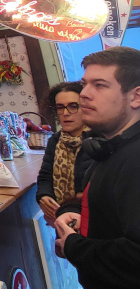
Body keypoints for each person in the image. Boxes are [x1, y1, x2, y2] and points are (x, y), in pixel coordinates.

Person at [54, 47, 140, 288]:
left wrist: (72, 245)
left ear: (136, 96)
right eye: (85, 84)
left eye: (100, 85)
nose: (84, 94)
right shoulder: (107, 146)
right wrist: (75, 211)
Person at [35, 82, 93, 225]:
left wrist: (69, 205)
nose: (65, 113)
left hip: (92, 220)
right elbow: (45, 177)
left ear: (85, 107)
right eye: (60, 107)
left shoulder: (98, 140)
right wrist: (44, 196)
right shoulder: (55, 140)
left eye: (73, 106)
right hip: (62, 219)